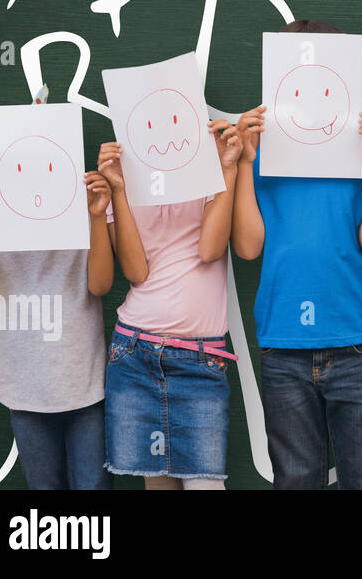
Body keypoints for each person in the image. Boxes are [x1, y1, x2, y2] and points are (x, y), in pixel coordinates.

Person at [232, 19, 362, 489]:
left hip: (357, 341)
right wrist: (245, 161)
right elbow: (247, 246)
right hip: (284, 344)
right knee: (296, 479)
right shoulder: (259, 151)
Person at [0, 150, 114, 489]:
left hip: (84, 387)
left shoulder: (87, 214)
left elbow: (100, 285)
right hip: (24, 388)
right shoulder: (1, 220)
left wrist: (99, 219)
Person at [101, 118, 241, 489]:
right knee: (158, 486)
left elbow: (211, 250)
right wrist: (118, 188)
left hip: (200, 360)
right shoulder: (127, 179)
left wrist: (226, 167)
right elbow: (135, 270)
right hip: (135, 353)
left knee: (206, 485)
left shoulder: (210, 169)